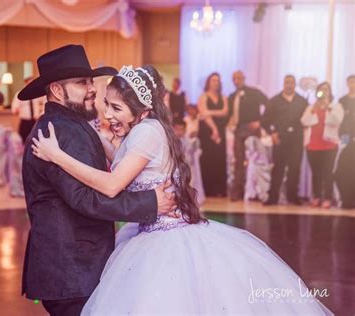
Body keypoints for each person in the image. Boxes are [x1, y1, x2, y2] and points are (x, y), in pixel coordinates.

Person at [32, 65, 331, 315]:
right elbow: (118, 157)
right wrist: (98, 133)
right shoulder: (140, 130)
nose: (108, 113)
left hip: (168, 242)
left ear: (143, 109)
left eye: (116, 108)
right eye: (107, 105)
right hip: (148, 235)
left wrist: (57, 155)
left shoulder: (148, 132)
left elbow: (111, 185)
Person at [17, 45, 177, 316]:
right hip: (71, 269)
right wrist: (150, 203)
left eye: (91, 80)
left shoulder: (70, 124)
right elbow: (85, 199)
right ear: (57, 90)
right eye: (82, 82)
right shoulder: (59, 131)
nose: (92, 89)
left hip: (74, 267)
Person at [262, 75, 308, 205]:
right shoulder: (274, 100)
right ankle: (272, 198)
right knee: (278, 169)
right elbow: (265, 121)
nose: (289, 85)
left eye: (291, 82)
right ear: (283, 84)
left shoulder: (302, 101)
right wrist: (273, 134)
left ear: (295, 84)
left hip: (296, 140)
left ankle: (292, 197)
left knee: (294, 169)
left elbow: (309, 119)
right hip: (280, 139)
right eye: (287, 82)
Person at [301, 82, 343, 208]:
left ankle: (328, 198)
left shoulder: (336, 106)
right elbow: (304, 121)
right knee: (316, 173)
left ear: (330, 92)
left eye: (326, 89)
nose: (324, 92)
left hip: (329, 145)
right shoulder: (311, 107)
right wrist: (314, 109)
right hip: (313, 145)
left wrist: (327, 107)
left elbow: (337, 120)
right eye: (321, 90)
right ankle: (317, 196)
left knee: (327, 173)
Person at [228, 71, 269, 201]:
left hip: (252, 130)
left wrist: (260, 122)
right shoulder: (232, 96)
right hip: (238, 130)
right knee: (238, 161)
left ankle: (256, 192)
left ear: (244, 79)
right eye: (234, 78)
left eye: (239, 78)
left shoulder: (254, 92)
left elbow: (269, 105)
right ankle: (238, 191)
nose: (236, 81)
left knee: (255, 161)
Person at [198, 72, 229, 197]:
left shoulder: (224, 97)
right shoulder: (204, 96)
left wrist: (210, 112)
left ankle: (220, 189)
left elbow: (225, 112)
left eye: (218, 80)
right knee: (208, 158)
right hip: (207, 130)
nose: (216, 82)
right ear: (208, 82)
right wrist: (214, 129)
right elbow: (204, 114)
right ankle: (208, 189)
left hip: (221, 130)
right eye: (213, 80)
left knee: (220, 158)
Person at [334, 75, 355, 209]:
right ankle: (346, 199)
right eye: (350, 82)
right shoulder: (342, 101)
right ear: (347, 84)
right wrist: (344, 139)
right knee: (342, 171)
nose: (352, 84)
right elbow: (339, 121)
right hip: (346, 140)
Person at [11, 77, 46, 143]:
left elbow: (45, 102)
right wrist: (16, 110)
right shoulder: (20, 94)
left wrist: (42, 111)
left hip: (35, 121)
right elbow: (14, 107)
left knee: (35, 140)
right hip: (25, 121)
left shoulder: (38, 93)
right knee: (23, 140)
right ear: (26, 83)